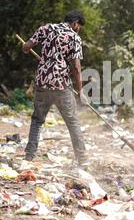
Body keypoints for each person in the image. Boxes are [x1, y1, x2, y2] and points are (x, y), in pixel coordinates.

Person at [23, 11, 86, 164]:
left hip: (42, 82)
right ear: (75, 23)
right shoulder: (74, 37)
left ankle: (29, 156)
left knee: (37, 120)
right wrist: (81, 91)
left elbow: (26, 46)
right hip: (61, 84)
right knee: (72, 122)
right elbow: (76, 67)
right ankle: (83, 160)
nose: (78, 29)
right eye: (79, 26)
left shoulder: (46, 28)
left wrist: (27, 48)